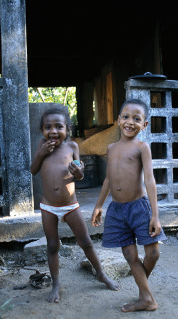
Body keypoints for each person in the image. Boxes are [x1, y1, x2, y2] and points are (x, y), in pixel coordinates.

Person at [30, 107, 120, 303]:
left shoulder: (72, 147)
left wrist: (77, 171)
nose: (53, 131)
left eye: (58, 126)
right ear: (42, 130)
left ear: (68, 129)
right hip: (48, 207)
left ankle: (101, 273)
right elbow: (33, 170)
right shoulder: (41, 145)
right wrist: (41, 153)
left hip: (70, 206)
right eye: (48, 127)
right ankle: (56, 285)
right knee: (52, 246)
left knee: (86, 241)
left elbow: (79, 174)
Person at [91, 98, 167, 312]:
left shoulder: (142, 147)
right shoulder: (112, 148)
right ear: (118, 120)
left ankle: (144, 293)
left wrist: (155, 215)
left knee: (153, 253)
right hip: (117, 210)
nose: (129, 122)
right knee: (131, 256)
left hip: (138, 208)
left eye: (136, 118)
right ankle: (147, 298)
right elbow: (108, 179)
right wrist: (98, 206)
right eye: (125, 117)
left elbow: (149, 180)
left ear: (145, 125)